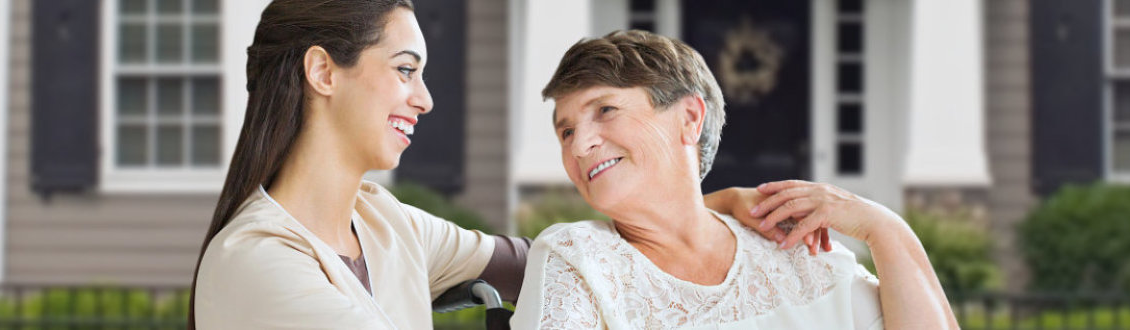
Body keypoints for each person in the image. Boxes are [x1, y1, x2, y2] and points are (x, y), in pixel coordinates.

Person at [188, 3, 765, 328]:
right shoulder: (256, 263)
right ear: (323, 73)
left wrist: (700, 209)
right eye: (406, 69)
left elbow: (551, 259)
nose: (425, 98)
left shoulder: (387, 225)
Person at [510, 30, 958, 329]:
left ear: (688, 118)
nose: (579, 145)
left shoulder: (796, 253)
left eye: (605, 110)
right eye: (565, 131)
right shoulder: (579, 260)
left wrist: (883, 228)